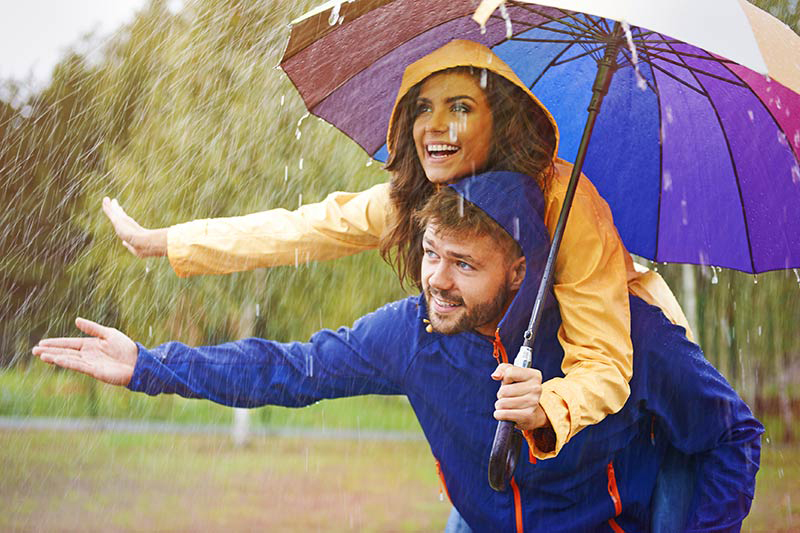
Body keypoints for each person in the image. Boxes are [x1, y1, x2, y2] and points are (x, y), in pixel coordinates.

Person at [36, 172, 761, 532]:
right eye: (429, 253)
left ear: (520, 269)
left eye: (464, 265)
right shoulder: (409, 333)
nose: (436, 282)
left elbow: (733, 433)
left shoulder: (624, 331)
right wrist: (147, 365)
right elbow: (291, 367)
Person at [102, 39, 693, 460]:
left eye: (460, 107)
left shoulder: (563, 202)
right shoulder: (421, 197)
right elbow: (306, 229)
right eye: (422, 108)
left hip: (618, 364)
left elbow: (604, 362)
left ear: (502, 121)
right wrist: (170, 242)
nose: (434, 125)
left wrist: (548, 408)